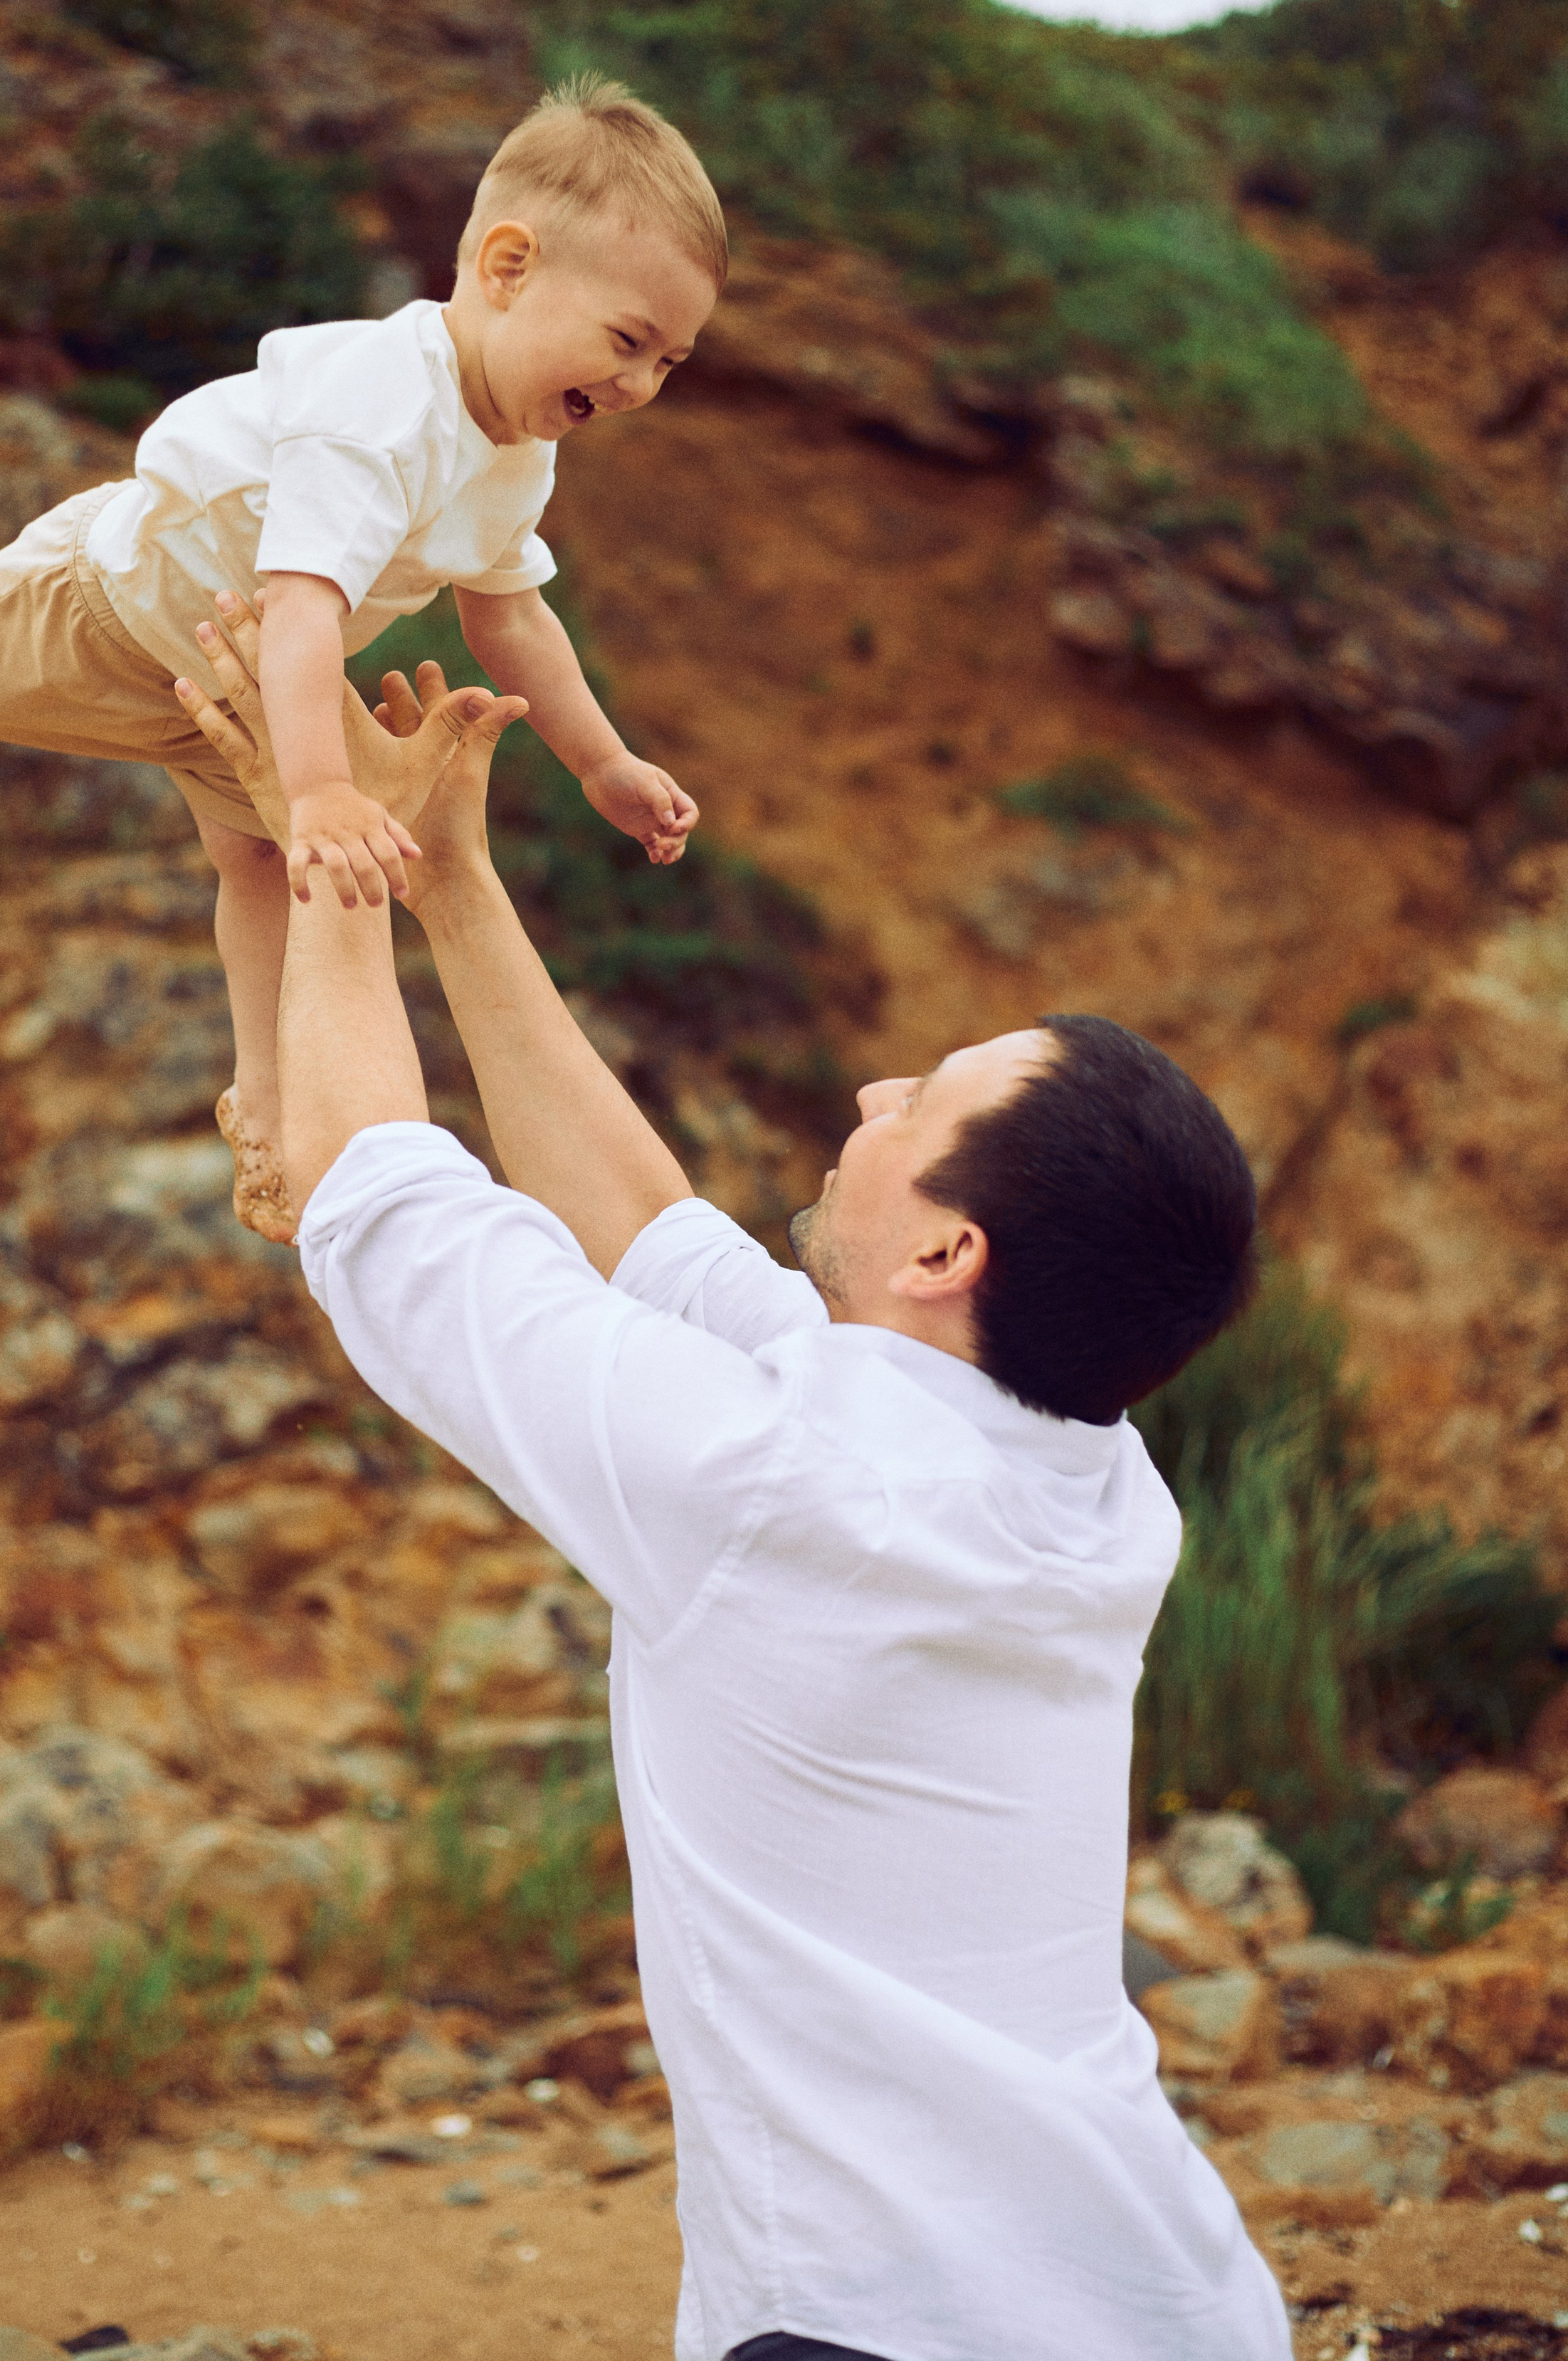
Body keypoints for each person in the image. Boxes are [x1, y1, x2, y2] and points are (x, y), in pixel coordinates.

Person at [172, 598, 1293, 2361]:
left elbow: (375, 1203)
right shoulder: (1085, 1474)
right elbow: (651, 1237)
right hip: (1169, 2307)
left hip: (885, 2328)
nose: (873, 1087)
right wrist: (451, 882)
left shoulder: (777, 1486)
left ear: (943, 1254)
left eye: (916, 1106)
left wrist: (328, 850)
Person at [0, 76, 721, 1243]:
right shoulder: (378, 408)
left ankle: (267, 1100)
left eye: (670, 363)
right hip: (104, 617)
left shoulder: (518, 451)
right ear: (507, 267)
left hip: (238, 691)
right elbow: (302, 605)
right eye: (627, 342)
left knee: (266, 865)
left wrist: (602, 762)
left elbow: (511, 619)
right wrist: (322, 789)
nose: (639, 386)